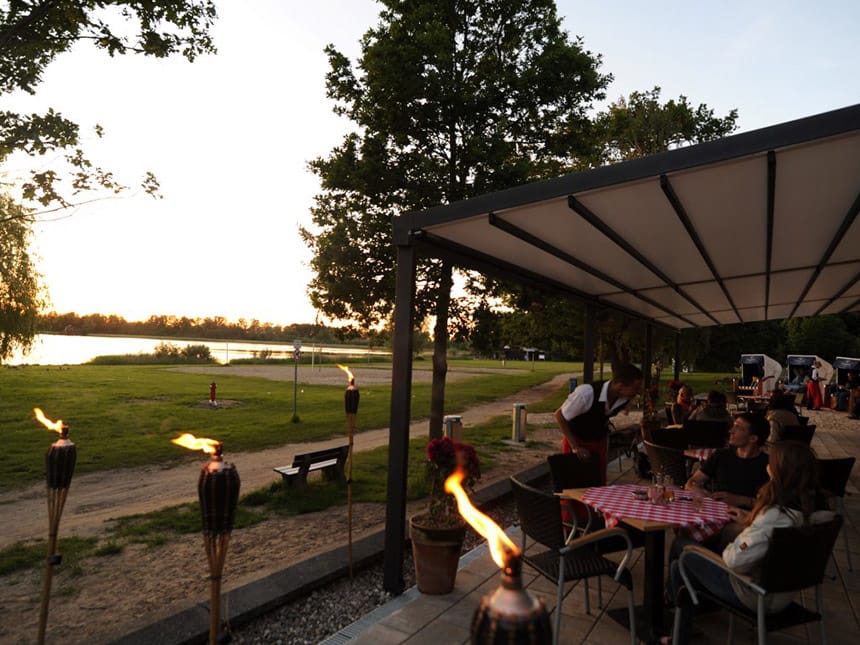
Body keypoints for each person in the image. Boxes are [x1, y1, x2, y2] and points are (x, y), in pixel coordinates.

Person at [666, 441, 833, 644]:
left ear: (779, 471)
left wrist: (736, 540)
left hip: (756, 596)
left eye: (771, 463)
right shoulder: (821, 514)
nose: (767, 466)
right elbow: (773, 537)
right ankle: (683, 626)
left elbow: (735, 561)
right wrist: (751, 521)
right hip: (786, 593)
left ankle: (679, 633)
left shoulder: (775, 514)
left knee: (682, 551)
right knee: (682, 564)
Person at [554, 363, 643, 485]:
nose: (637, 393)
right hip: (577, 441)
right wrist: (575, 446)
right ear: (621, 386)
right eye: (635, 389)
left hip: (599, 443)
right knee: (573, 485)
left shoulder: (623, 398)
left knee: (597, 483)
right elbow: (560, 416)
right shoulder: (586, 393)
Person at [684, 412, 770, 510]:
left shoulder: (768, 465)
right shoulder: (721, 455)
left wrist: (740, 500)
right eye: (733, 426)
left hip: (747, 518)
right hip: (717, 513)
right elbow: (692, 482)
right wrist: (697, 490)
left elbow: (773, 504)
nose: (731, 431)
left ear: (753, 438)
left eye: (738, 427)